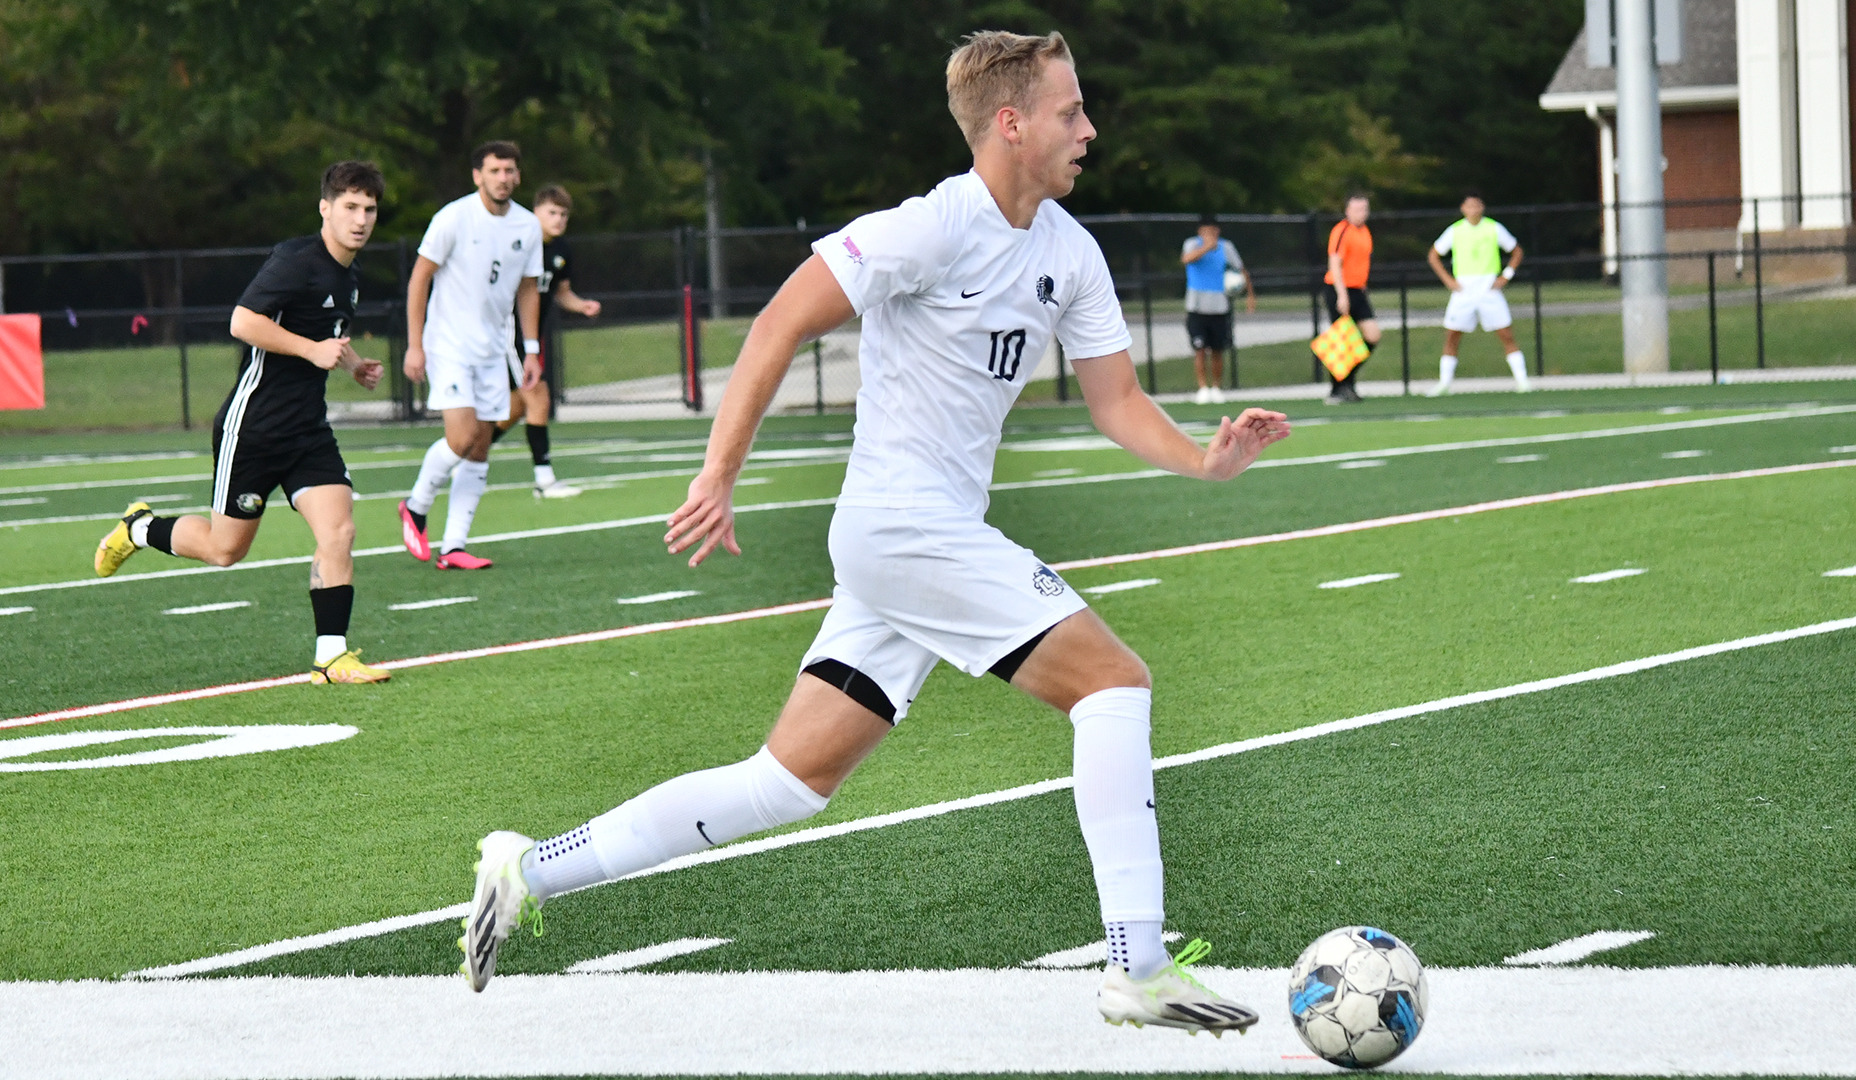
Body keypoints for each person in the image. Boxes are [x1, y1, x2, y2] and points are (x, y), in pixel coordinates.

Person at [456, 30, 1289, 1034]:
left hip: (914, 547)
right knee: (1114, 683)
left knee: (789, 781)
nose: (1090, 129)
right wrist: (719, 472)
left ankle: (526, 867)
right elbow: (777, 323)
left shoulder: (1071, 250)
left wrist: (1206, 457)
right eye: (1072, 112)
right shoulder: (931, 228)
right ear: (1011, 124)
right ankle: (1137, 964)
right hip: (903, 530)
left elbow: (1115, 401)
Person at [93, 162, 391, 685]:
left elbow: (329, 336)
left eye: (369, 209)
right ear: (325, 208)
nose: (361, 219)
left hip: (308, 431)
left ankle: (330, 657)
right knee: (224, 550)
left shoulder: (351, 273)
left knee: (339, 530)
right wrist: (311, 350)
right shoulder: (296, 260)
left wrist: (353, 364)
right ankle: (139, 527)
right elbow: (243, 322)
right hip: (253, 427)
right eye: (350, 207)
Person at [398, 141, 544, 569]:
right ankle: (416, 505)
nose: (504, 178)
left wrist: (530, 350)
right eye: (495, 170)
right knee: (461, 438)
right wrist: (415, 343)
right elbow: (419, 278)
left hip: (493, 350)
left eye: (510, 170)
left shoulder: (528, 225)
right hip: (450, 345)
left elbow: (528, 288)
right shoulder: (454, 217)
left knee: (480, 447)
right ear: (477, 175)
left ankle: (455, 546)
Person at [492, 183, 603, 499]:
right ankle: (544, 480)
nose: (558, 219)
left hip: (528, 338)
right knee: (538, 397)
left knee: (515, 407)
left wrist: (581, 305)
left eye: (564, 214)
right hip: (505, 334)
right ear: (535, 211)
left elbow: (561, 292)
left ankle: (467, 455)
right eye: (552, 212)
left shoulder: (562, 250)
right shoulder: (518, 243)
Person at [1424, 190, 1528, 396]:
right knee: (1452, 335)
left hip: (1489, 288)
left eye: (1477, 205)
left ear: (1482, 207)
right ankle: (1444, 383)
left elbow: (1516, 251)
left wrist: (1506, 276)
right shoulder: (1455, 230)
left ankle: (1523, 382)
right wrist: (1448, 280)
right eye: (1469, 206)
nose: (1473, 210)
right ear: (1463, 209)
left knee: (1505, 334)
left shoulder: (1493, 228)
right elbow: (1433, 255)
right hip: (1463, 290)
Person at [1180, 212, 1253, 405]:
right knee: (1199, 348)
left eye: (1212, 231)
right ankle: (1202, 388)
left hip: (1219, 306)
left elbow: (1241, 268)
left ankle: (1217, 387)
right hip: (1196, 305)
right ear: (1200, 232)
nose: (1210, 234)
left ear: (1217, 231)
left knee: (1218, 349)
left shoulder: (1226, 247)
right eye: (1205, 231)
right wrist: (1206, 248)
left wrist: (1250, 295)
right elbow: (1186, 260)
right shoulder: (1192, 244)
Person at [1323, 193, 1380, 404]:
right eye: (1357, 209)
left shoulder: (1364, 232)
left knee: (1372, 336)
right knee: (1343, 342)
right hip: (1339, 289)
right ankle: (1337, 390)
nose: (1361, 213)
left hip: (1358, 290)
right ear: (1347, 211)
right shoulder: (1341, 230)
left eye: (1364, 209)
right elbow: (1335, 263)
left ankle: (1347, 381)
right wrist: (1342, 295)